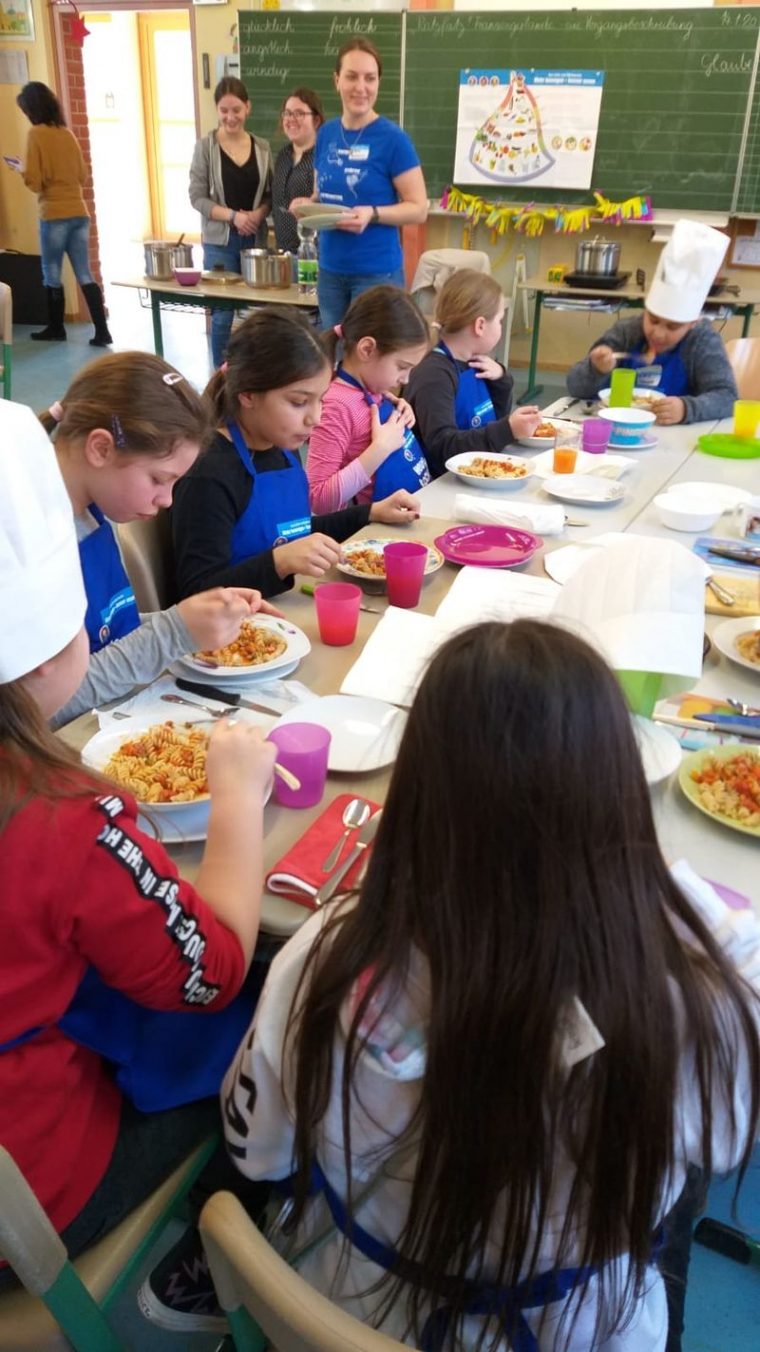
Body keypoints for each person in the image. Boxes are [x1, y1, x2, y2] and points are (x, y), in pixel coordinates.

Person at [217, 619, 760, 1349]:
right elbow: (725, 1139)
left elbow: (261, 1155)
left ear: (416, 796)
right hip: (575, 1330)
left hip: (344, 1307)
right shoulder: (693, 1006)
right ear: (619, 804)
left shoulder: (323, 955)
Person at [0, 400, 275, 1289]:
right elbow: (212, 970)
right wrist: (235, 800)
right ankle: (213, 1264)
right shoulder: (58, 813)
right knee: (271, 1020)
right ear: (46, 654)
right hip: (34, 1203)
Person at [37, 352, 279, 729]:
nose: (167, 500)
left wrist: (201, 616)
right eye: (158, 479)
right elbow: (43, 704)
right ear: (100, 448)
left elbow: (107, 631)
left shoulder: (91, 508)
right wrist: (173, 632)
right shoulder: (26, 541)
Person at [171, 306, 420, 602]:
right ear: (248, 394)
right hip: (233, 636)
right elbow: (196, 594)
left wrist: (370, 512)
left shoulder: (280, 449)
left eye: (321, 400)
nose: (315, 418)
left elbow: (293, 530)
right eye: (299, 402)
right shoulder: (209, 472)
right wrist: (280, 562)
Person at [290, 38, 428, 330]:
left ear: (378, 83)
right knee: (335, 358)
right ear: (337, 79)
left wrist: (373, 214)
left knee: (374, 361)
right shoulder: (325, 134)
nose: (360, 87)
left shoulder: (393, 140)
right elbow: (321, 193)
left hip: (377, 274)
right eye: (351, 76)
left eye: (370, 78)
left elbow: (419, 209)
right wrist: (308, 204)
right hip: (330, 270)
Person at [566, 220, 737, 425]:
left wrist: (686, 409)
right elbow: (575, 387)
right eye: (653, 320)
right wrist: (596, 369)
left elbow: (728, 398)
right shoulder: (626, 332)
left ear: (692, 323)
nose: (658, 333)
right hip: (615, 428)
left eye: (672, 327)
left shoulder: (702, 341)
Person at [405, 269, 541, 478]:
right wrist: (507, 429)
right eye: (499, 320)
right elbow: (443, 447)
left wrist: (501, 380)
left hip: (474, 475)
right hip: (440, 484)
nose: (500, 327)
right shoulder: (435, 375)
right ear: (480, 326)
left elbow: (495, 420)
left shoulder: (475, 361)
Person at [307, 285, 430, 512]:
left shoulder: (373, 387)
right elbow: (319, 498)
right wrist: (380, 448)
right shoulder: (337, 406)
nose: (406, 380)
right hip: (367, 534)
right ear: (366, 349)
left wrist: (399, 412)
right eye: (402, 367)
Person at [8, 81, 112, 346]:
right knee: (84, 273)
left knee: (51, 272)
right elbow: (82, 174)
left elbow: (35, 181)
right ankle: (102, 331)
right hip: (79, 212)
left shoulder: (36, 134)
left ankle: (56, 328)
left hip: (53, 213)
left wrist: (21, 169)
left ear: (32, 109)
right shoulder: (67, 134)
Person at [189, 77, 274, 368]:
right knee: (223, 315)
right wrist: (234, 217)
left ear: (247, 107)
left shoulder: (262, 148)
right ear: (217, 110)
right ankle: (221, 379)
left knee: (256, 315)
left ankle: (252, 375)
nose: (230, 117)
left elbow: (270, 195)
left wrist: (257, 216)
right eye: (224, 110)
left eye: (236, 109)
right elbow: (197, 197)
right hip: (219, 244)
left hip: (255, 242)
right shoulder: (205, 148)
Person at [272, 87, 324, 256]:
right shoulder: (283, 155)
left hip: (311, 254)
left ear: (316, 120)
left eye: (299, 113)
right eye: (287, 113)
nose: (291, 119)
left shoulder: (323, 157)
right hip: (283, 253)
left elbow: (328, 203)